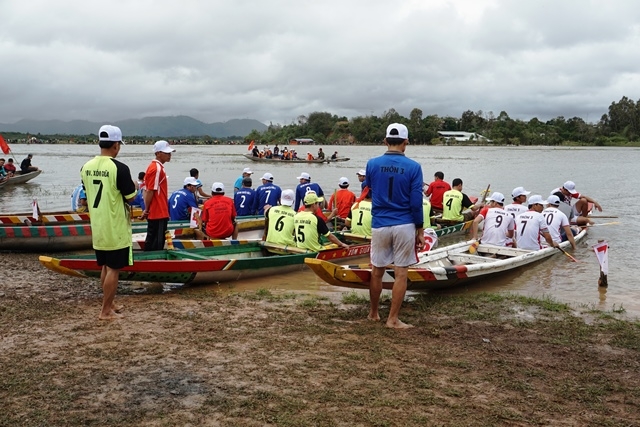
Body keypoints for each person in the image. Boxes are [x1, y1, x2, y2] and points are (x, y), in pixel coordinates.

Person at [365, 123, 424, 329]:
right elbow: (416, 202)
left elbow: (368, 189)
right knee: (401, 273)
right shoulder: (414, 167)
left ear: (385, 141)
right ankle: (393, 319)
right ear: (406, 143)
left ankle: (373, 313)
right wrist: (420, 228)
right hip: (405, 224)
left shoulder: (372, 164)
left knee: (377, 271)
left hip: (380, 223)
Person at [81, 125, 137, 320]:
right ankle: (105, 310)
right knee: (114, 268)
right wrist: (136, 186)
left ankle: (110, 302)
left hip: (97, 224)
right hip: (115, 225)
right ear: (116, 145)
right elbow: (131, 197)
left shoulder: (86, 167)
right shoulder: (119, 168)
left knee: (105, 265)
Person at [140, 140, 175, 251]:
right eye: (167, 153)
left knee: (153, 238)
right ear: (158, 153)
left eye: (169, 153)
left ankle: (149, 261)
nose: (169, 155)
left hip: (158, 211)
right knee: (157, 242)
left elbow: (147, 190)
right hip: (158, 211)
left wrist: (146, 209)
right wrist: (146, 209)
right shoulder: (156, 168)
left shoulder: (155, 167)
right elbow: (150, 190)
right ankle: (152, 262)